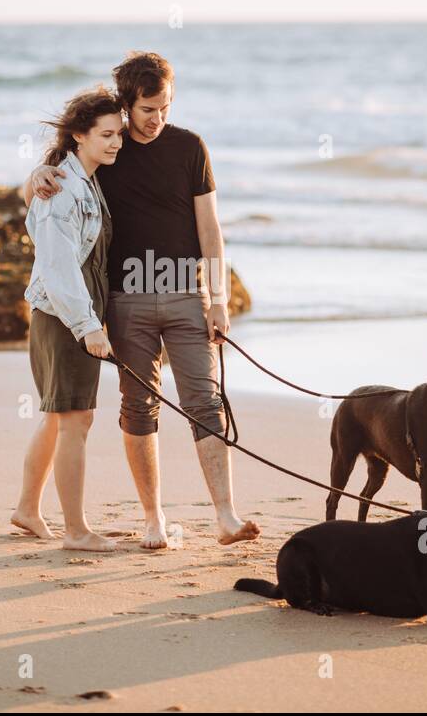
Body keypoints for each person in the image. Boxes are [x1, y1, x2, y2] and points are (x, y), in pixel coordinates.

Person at [22, 52, 259, 549]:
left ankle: (226, 516)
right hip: (124, 299)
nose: (158, 118)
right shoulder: (108, 146)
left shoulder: (190, 147)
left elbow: (209, 229)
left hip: (187, 294)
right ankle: (153, 520)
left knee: (207, 402)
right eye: (148, 109)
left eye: (166, 106)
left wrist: (218, 298)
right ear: (127, 105)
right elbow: (55, 189)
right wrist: (31, 181)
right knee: (137, 406)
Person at [12, 86, 124, 552]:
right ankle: (76, 530)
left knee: (58, 418)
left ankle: (26, 510)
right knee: (76, 420)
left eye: (119, 134)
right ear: (80, 135)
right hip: (63, 317)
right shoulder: (63, 188)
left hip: (62, 314)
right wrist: (88, 326)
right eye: (106, 134)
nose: (116, 142)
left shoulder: (85, 177)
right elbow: (58, 267)